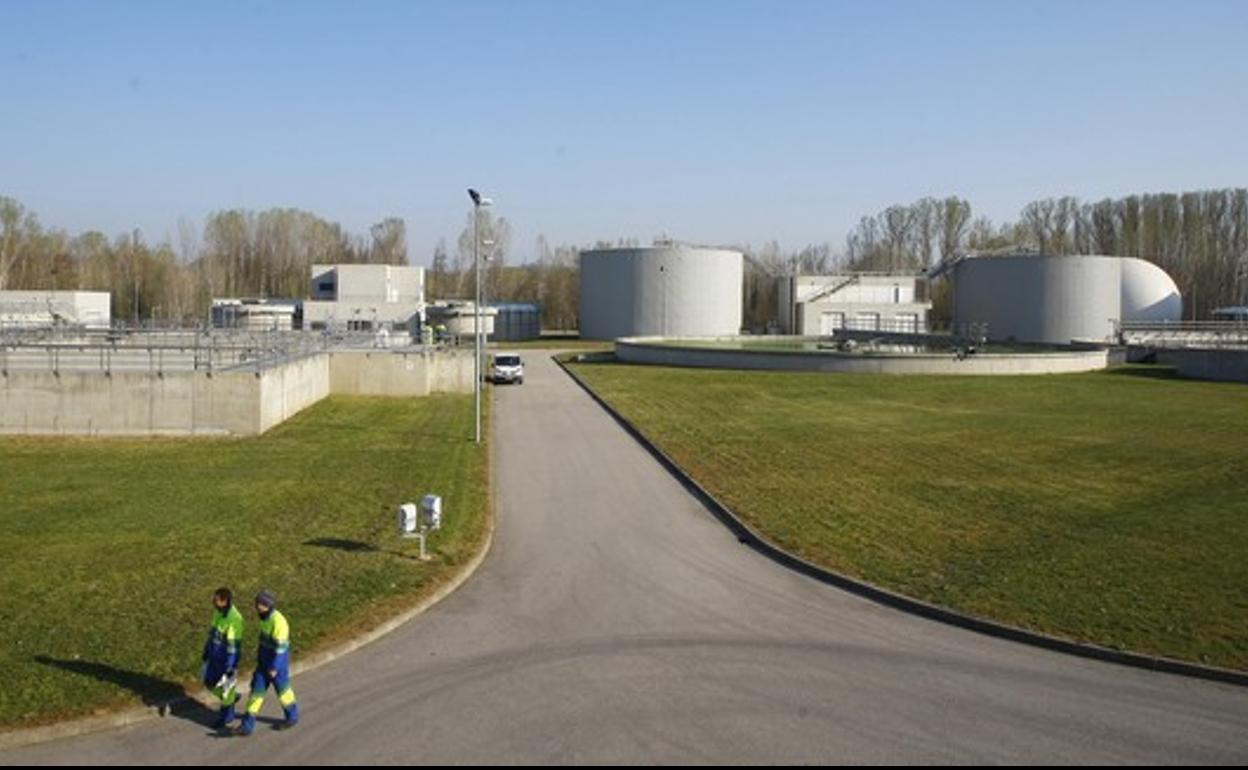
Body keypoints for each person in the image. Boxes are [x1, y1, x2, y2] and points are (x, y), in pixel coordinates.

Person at [238, 589, 299, 735]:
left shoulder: (279, 622)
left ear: (269, 605)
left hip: (276, 665)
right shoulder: (264, 617)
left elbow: (280, 649)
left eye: (261, 605)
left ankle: (292, 716)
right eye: (257, 604)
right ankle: (247, 726)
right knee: (256, 692)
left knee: (283, 691)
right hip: (264, 663)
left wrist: (274, 667)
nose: (258, 608)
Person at [201, 587, 243, 730]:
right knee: (208, 681)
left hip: (226, 661)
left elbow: (233, 647)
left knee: (226, 691)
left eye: (216, 600)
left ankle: (225, 719)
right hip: (214, 657)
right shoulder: (218, 613)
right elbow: (212, 633)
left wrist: (230, 666)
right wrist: (207, 650)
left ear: (224, 601)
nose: (213, 602)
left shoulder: (235, 619)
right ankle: (231, 699)